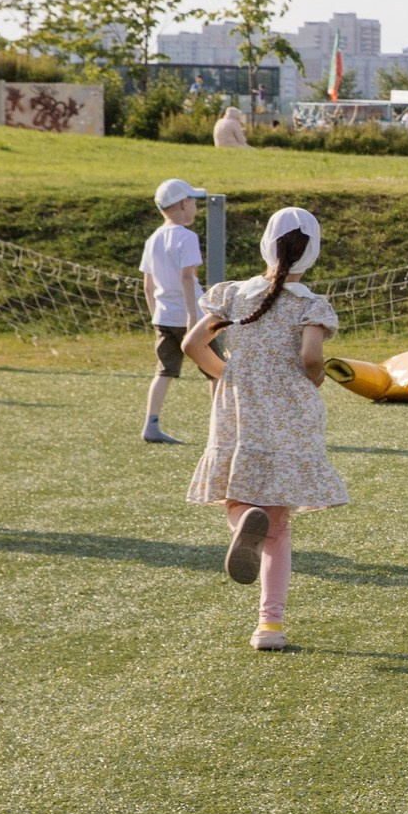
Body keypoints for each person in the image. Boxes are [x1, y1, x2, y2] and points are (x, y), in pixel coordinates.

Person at [181, 208, 346, 652]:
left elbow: (192, 344)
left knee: (238, 495)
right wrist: (311, 381)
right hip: (292, 415)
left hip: (240, 407)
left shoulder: (233, 296)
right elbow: (312, 357)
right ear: (312, 252)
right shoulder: (311, 304)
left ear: (266, 245)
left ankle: (240, 525)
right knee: (279, 525)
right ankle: (269, 627)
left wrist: (224, 374)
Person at [140, 178, 204, 445]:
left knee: (163, 371)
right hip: (192, 318)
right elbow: (187, 277)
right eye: (194, 203)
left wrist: (156, 314)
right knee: (216, 371)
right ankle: (223, 429)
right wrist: (192, 316)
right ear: (183, 203)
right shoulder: (187, 237)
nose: (196, 209)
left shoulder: (153, 239)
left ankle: (151, 424)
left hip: (164, 317)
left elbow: (147, 284)